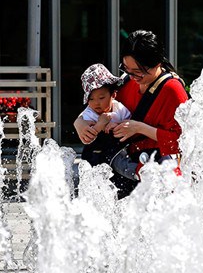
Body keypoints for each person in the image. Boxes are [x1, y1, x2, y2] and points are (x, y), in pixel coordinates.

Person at [74, 30, 188, 198]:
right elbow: (103, 108)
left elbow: (182, 141)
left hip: (155, 169)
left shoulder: (173, 90)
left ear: (156, 64)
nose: (132, 76)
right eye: (126, 69)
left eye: (138, 71)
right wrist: (79, 123)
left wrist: (139, 128)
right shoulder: (127, 81)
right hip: (123, 163)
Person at [78, 63, 132, 166]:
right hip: (94, 155)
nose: (96, 103)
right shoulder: (89, 113)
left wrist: (117, 125)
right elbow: (87, 139)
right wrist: (100, 124)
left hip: (117, 153)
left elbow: (130, 123)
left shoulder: (119, 108)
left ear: (113, 95)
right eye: (91, 99)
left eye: (101, 98)